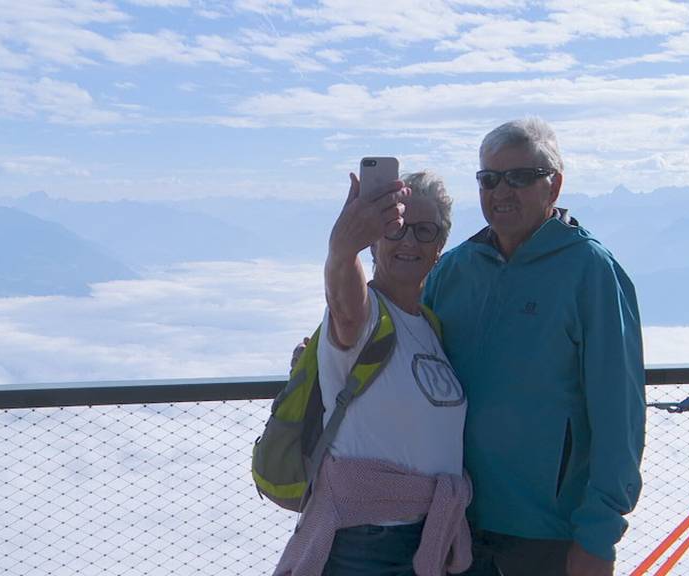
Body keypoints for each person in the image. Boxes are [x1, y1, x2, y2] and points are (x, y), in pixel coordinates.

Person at [423, 118, 645, 576]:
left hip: (551, 534)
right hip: (454, 521)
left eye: (521, 177)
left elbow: (619, 416)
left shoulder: (590, 272)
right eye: (489, 179)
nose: (502, 191)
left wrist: (598, 537)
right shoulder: (453, 271)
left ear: (554, 186)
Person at [274, 171, 473, 576]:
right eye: (396, 229)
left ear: (440, 247)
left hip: (425, 538)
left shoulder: (430, 328)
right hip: (365, 544)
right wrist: (342, 250)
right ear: (376, 242)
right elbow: (344, 303)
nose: (410, 242)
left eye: (425, 231)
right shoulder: (366, 318)